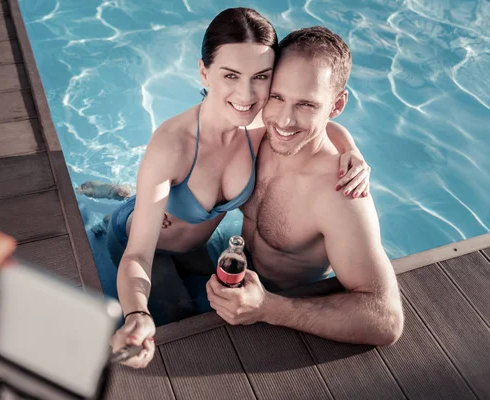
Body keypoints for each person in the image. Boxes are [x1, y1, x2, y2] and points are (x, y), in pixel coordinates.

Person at [109, 9, 372, 369]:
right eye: (230, 75)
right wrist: (135, 312)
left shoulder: (260, 120)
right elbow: (137, 255)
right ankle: (122, 197)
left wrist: (351, 150)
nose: (246, 94)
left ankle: (127, 192)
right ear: (204, 71)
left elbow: (316, 118)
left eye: (260, 77)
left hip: (194, 242)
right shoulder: (171, 145)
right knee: (181, 315)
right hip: (145, 242)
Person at [206, 27, 404, 347]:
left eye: (307, 105)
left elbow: (385, 320)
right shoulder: (258, 134)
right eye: (277, 97)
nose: (284, 120)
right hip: (231, 264)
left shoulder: (340, 195)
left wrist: (269, 308)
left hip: (277, 311)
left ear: (336, 106)